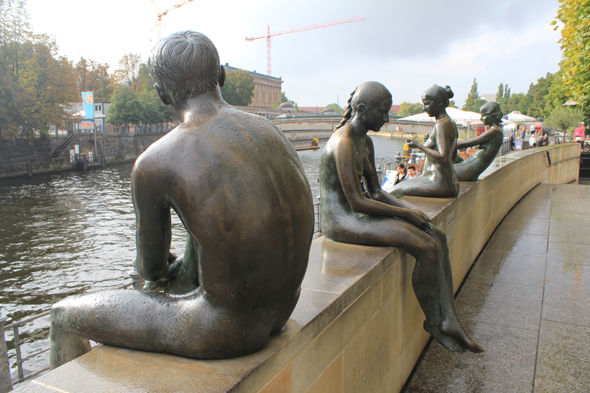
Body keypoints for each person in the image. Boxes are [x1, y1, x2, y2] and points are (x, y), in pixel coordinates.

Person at [49, 31, 314, 368]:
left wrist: (157, 272)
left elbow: (150, 270)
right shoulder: (272, 132)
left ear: (161, 93)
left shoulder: (154, 161)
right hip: (282, 309)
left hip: (222, 329)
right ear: (220, 76)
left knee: (62, 316)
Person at [320, 81, 483, 354]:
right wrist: (406, 213)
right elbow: (357, 201)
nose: (386, 119)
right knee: (426, 247)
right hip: (341, 220)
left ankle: (450, 318)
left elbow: (376, 192)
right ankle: (435, 321)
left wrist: (410, 215)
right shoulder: (345, 141)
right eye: (382, 112)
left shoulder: (366, 141)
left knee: (437, 236)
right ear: (361, 109)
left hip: (357, 214)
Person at [391, 85, 459, 198]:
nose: (424, 108)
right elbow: (454, 155)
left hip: (439, 183)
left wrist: (418, 146)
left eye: (427, 103)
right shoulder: (450, 123)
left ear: (439, 102)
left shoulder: (441, 125)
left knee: (392, 192)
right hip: (450, 182)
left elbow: (444, 157)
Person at [453, 102, 505, 181]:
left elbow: (468, 143)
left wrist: (446, 144)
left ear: (493, 116)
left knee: (437, 169)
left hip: (468, 170)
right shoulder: (496, 132)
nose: (481, 118)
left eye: (483, 115)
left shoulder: (494, 132)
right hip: (468, 165)